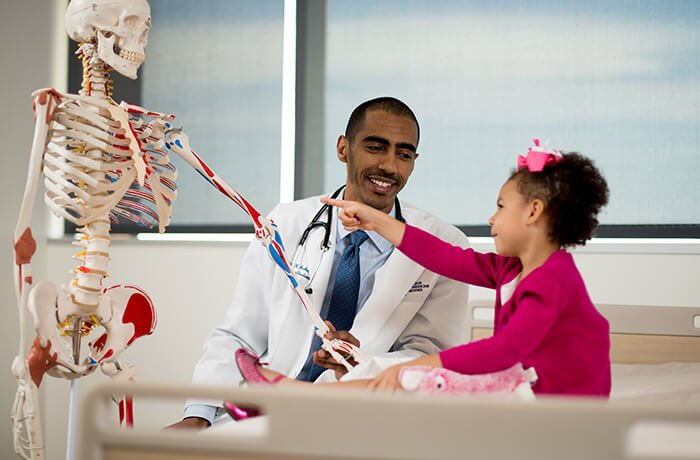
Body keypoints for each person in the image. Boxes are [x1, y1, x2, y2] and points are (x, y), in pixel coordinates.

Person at [168, 97, 470, 429]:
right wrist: (198, 416)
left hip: (372, 417)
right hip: (273, 411)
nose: (390, 166)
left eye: (404, 154)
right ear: (344, 148)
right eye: (375, 147)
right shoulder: (285, 223)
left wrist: (365, 362)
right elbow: (239, 333)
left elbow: (431, 357)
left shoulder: (444, 245)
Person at [246, 140, 611, 397]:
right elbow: (444, 257)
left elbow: (508, 348)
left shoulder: (555, 278)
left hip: (562, 408)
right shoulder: (509, 269)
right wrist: (376, 220)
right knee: (406, 381)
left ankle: (300, 398)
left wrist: (429, 365)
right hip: (527, 390)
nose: (491, 217)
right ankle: (300, 396)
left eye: (501, 206)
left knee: (418, 382)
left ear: (532, 212)